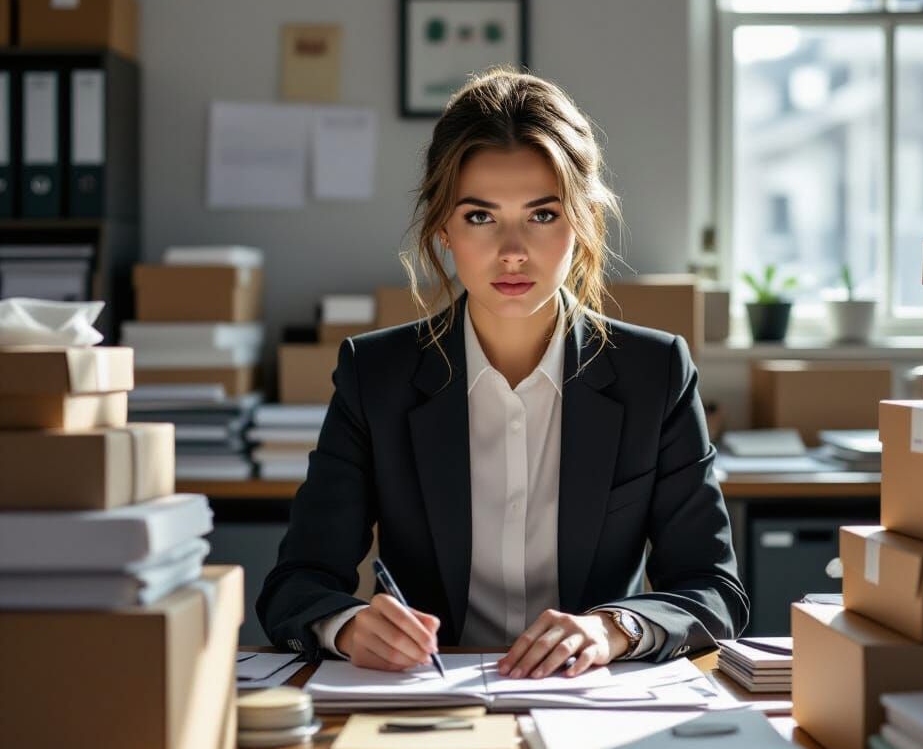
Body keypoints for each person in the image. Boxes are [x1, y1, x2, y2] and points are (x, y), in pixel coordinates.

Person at [257, 67, 748, 679]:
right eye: (480, 217)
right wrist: (350, 626)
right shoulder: (374, 375)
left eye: (542, 215)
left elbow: (713, 590)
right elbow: (295, 585)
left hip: (592, 703)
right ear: (443, 229)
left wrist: (612, 628)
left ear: (584, 222)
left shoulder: (655, 372)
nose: (512, 250)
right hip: (429, 700)